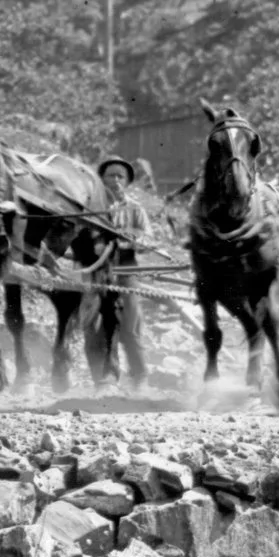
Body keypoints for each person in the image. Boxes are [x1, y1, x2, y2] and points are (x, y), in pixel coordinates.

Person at [87, 154, 153, 388]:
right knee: (95, 326)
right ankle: (103, 379)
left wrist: (129, 240)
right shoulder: (90, 209)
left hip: (126, 268)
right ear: (100, 180)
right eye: (109, 176)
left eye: (120, 176)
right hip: (98, 271)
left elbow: (147, 240)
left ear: (126, 181)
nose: (115, 180)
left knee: (130, 325)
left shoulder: (135, 210)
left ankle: (140, 376)